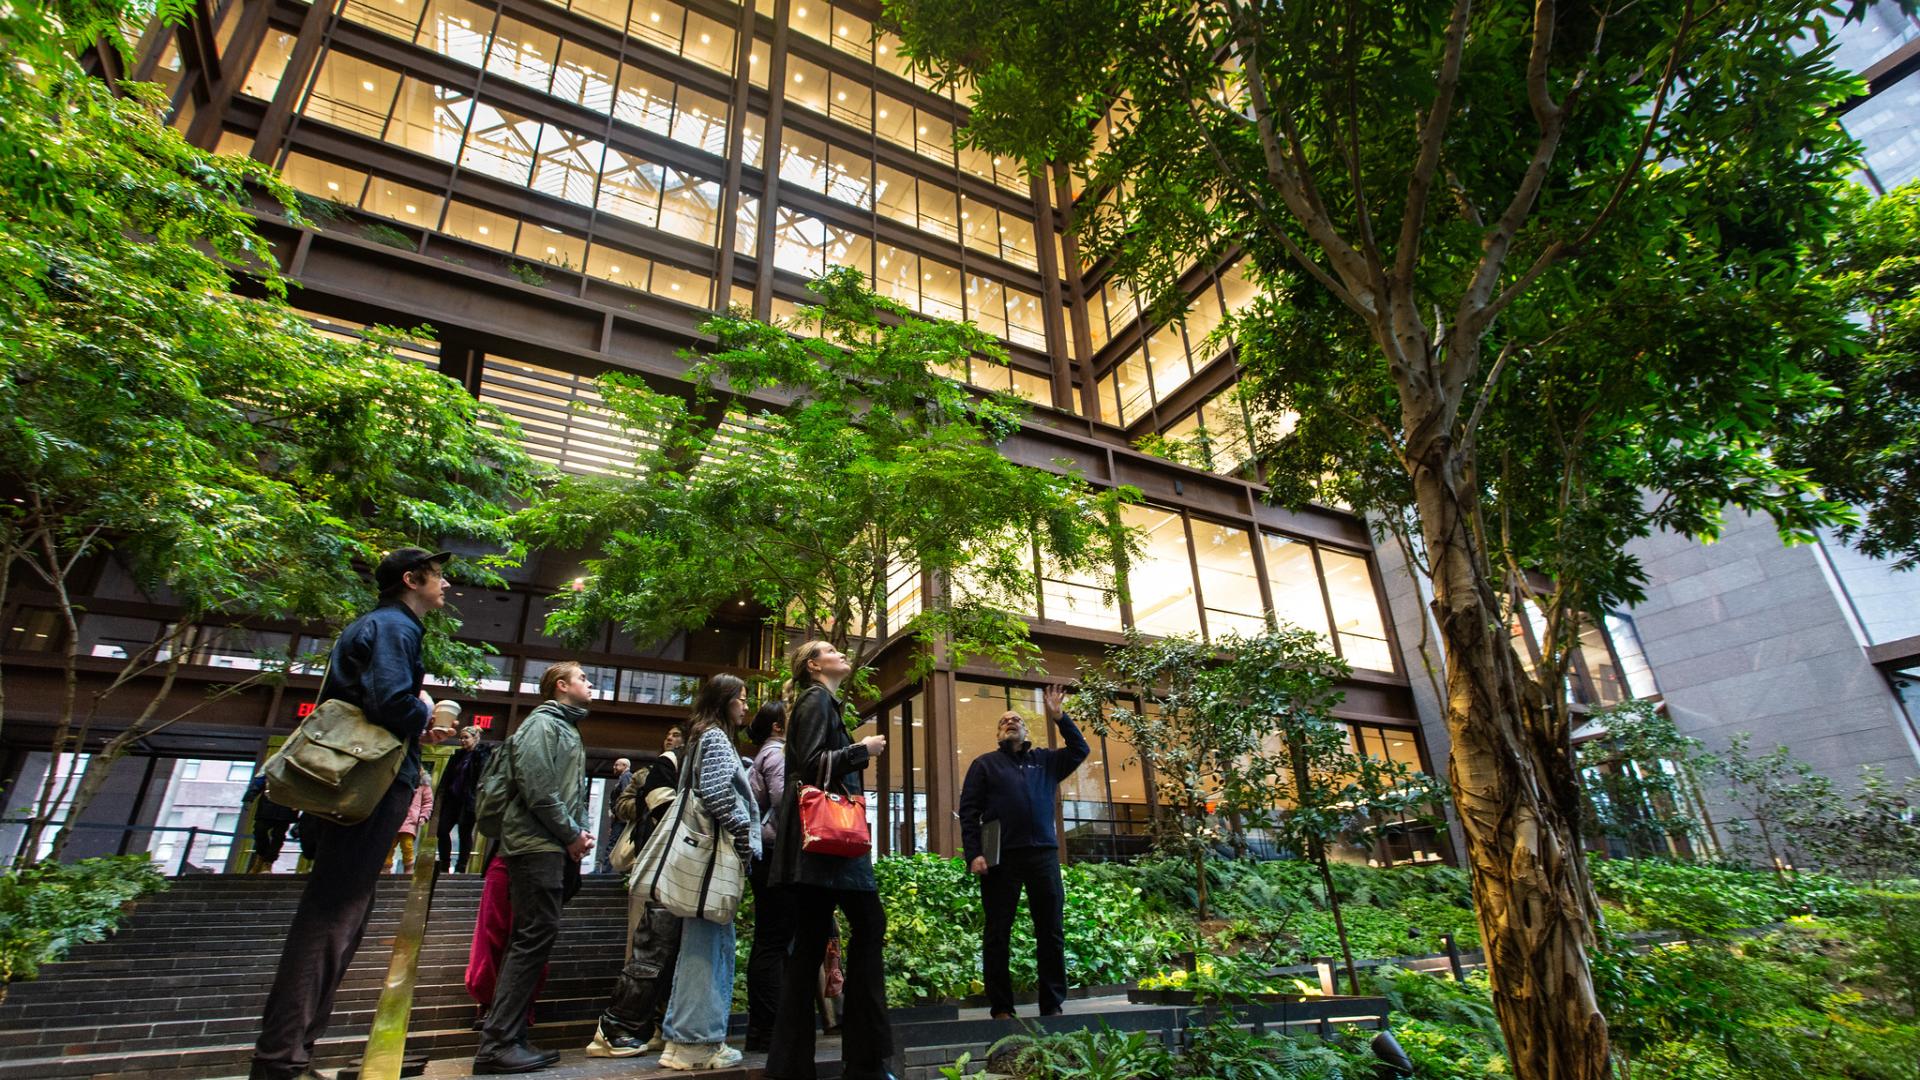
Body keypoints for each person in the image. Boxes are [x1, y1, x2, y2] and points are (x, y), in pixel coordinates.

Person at [248, 547, 459, 1080]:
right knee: (334, 912)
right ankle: (281, 1059)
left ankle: (292, 1053)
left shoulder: (377, 624)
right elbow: (391, 700)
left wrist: (414, 725)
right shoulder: (396, 627)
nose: (446, 586)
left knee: (342, 909)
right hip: (367, 787)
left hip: (353, 781)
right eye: (438, 578)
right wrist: (426, 711)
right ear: (412, 580)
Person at [765, 641, 895, 1080]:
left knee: (806, 953)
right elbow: (810, 764)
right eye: (831, 650)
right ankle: (865, 1062)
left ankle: (792, 1066)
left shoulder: (818, 701)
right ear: (814, 665)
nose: (842, 653)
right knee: (869, 925)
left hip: (819, 852)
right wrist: (864, 749)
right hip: (830, 850)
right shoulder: (816, 699)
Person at [472, 661, 595, 1074]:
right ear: (561, 686)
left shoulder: (565, 728)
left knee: (531, 939)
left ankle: (510, 1038)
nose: (590, 684)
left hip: (548, 846)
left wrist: (575, 837)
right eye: (582, 678)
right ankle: (498, 1043)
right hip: (535, 846)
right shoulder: (542, 725)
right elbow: (539, 791)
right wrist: (571, 835)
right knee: (531, 938)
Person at [958, 686, 1089, 1020]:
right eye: (1005, 720)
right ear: (998, 733)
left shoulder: (1045, 761)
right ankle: (1001, 1007)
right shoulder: (984, 765)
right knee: (998, 931)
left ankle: (1052, 1004)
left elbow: (1080, 749)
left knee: (1050, 930)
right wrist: (974, 853)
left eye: (1016, 719)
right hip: (1000, 858)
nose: (1011, 721)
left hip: (1043, 855)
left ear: (1026, 730)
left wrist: (1060, 716)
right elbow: (969, 811)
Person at [653, 674, 758, 1070]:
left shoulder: (701, 736)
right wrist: (744, 836)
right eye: (741, 699)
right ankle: (695, 1043)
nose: (746, 706)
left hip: (701, 858)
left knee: (703, 942)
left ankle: (683, 1041)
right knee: (709, 945)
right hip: (712, 859)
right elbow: (715, 793)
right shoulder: (715, 738)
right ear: (724, 701)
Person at [585, 727, 687, 1058]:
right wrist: (649, 800)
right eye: (669, 735)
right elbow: (622, 807)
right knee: (646, 945)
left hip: (675, 865)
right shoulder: (651, 772)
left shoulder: (687, 765)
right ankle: (620, 1025)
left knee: (664, 949)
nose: (673, 739)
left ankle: (655, 1023)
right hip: (651, 859)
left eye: (677, 735)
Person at [743, 700, 790, 1052]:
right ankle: (772, 1028)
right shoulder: (775, 755)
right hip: (775, 855)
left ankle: (761, 1029)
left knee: (768, 939)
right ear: (777, 726)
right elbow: (784, 800)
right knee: (774, 940)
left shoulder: (763, 754)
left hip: (764, 855)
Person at [437, 725, 494, 874]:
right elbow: (447, 777)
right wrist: (442, 794)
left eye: (466, 737)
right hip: (453, 799)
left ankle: (461, 866)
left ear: (475, 738)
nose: (462, 740)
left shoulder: (482, 755)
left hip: (469, 800)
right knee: (442, 830)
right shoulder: (457, 756)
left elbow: (483, 778)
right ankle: (444, 864)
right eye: (461, 737)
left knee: (464, 831)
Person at [240, 772, 298, 873]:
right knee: (259, 830)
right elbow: (260, 780)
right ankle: (261, 855)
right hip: (268, 805)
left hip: (287, 807)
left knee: (278, 836)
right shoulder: (276, 763)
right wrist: (249, 798)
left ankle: (268, 862)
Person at [387, 772, 435, 873]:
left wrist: (423, 816)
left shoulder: (423, 785)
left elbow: (428, 803)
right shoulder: (399, 780)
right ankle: (386, 866)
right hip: (394, 816)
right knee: (389, 845)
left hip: (410, 820)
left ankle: (408, 866)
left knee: (407, 844)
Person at [596, 756, 633, 874]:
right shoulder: (623, 778)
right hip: (620, 819)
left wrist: (620, 813)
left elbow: (625, 795)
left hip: (621, 819)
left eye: (617, 765)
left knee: (614, 844)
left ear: (625, 766)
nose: (614, 767)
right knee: (617, 844)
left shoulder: (626, 777)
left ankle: (607, 871)